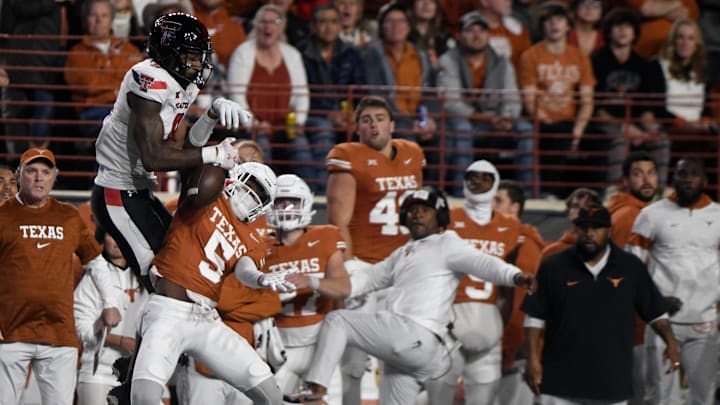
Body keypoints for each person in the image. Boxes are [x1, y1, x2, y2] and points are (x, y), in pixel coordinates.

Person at [286, 187, 536, 404]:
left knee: (338, 320)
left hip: (415, 332)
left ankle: (315, 390)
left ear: (440, 217)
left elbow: (485, 263)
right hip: (412, 350)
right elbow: (361, 283)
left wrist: (516, 276)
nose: (416, 213)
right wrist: (313, 281)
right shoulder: (403, 253)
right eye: (412, 209)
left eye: (424, 209)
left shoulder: (447, 243)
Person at [91, 12, 251, 289]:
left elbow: (185, 149)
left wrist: (211, 115)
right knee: (161, 281)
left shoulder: (180, 82)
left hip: (138, 190)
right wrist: (214, 156)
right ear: (167, 53)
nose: (198, 63)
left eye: (200, 55)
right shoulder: (148, 79)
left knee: (177, 264)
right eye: (190, 55)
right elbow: (153, 157)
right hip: (116, 192)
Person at [130, 161, 290, 405]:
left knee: (271, 396)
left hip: (207, 319)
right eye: (252, 185)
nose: (252, 195)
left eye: (260, 194)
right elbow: (193, 163)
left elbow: (244, 268)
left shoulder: (252, 236)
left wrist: (260, 278)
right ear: (235, 178)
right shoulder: (207, 195)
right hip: (169, 309)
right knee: (144, 398)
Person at [522, 205, 681, 404]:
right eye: (584, 227)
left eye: (596, 227)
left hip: (611, 381)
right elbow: (535, 315)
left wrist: (671, 342)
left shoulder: (630, 267)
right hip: (559, 380)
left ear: (609, 231)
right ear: (576, 229)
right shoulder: (553, 266)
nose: (589, 233)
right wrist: (531, 359)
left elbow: (655, 311)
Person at [0, 148, 121, 405]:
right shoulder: (3, 214)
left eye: (45, 172)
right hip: (9, 333)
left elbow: (96, 262)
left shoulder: (68, 215)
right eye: (32, 171)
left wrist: (111, 303)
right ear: (20, 174)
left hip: (59, 333)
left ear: (55, 177)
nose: (38, 178)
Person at [324, 95, 425, 405]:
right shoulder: (348, 156)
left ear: (392, 124)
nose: (374, 124)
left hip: (402, 268)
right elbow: (337, 220)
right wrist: (349, 266)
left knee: (400, 355)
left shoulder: (412, 153)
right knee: (355, 359)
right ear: (358, 129)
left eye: (380, 118)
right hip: (365, 267)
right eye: (366, 119)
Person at [424, 160, 523, 405]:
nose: (477, 182)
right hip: (448, 324)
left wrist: (502, 327)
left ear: (495, 183)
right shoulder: (448, 219)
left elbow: (509, 290)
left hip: (488, 326)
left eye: (484, 177)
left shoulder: (510, 226)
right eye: (471, 176)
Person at [626, 156, 720, 405]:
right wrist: (653, 300)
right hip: (662, 322)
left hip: (705, 321)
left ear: (705, 180)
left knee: (704, 397)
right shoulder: (650, 215)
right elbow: (631, 267)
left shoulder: (719, 216)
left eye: (694, 173)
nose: (688, 178)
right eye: (682, 173)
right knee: (661, 397)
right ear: (673, 178)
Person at [262, 174, 350, 399]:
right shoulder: (260, 245)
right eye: (280, 202)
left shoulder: (326, 236)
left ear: (306, 203)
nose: (286, 208)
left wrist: (311, 281)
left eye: (292, 202)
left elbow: (343, 287)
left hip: (318, 344)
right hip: (279, 345)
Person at [437, 11, 531, 196]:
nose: (476, 35)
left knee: (526, 129)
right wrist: (488, 118)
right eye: (470, 30)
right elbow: (451, 102)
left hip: (495, 122)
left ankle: (527, 193)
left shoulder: (502, 63)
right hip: (466, 122)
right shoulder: (448, 61)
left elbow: (512, 99)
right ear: (460, 35)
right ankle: (459, 193)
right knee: (461, 127)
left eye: (481, 31)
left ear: (488, 36)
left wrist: (507, 119)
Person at [518, 1, 596, 198]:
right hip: (542, 120)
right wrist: (546, 119)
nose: (554, 25)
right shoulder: (530, 55)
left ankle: (595, 193)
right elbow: (530, 100)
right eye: (549, 20)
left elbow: (587, 100)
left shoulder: (579, 57)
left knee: (601, 139)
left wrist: (577, 130)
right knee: (556, 136)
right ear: (542, 25)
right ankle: (550, 195)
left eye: (559, 20)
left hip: (571, 121)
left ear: (568, 25)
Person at [227, 4, 313, 180]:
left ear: (282, 27)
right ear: (255, 25)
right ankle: (263, 191)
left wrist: (298, 121)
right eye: (263, 22)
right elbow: (236, 96)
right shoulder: (242, 53)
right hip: (254, 126)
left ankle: (312, 192)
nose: (268, 27)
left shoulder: (292, 54)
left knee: (301, 146)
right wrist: (253, 123)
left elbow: (302, 93)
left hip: (284, 124)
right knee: (260, 146)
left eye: (274, 22)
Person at [361, 1, 440, 182]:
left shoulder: (420, 55)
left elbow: (430, 92)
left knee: (447, 135)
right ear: (381, 26)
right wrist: (408, 121)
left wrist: (428, 120)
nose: (396, 27)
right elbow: (376, 95)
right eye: (390, 21)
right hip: (390, 118)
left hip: (418, 117)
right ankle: (407, 188)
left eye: (401, 22)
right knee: (406, 137)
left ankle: (436, 189)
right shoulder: (372, 54)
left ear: (409, 26)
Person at [591, 7, 670, 185]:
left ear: (635, 32)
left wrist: (649, 129)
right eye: (617, 26)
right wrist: (625, 128)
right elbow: (596, 109)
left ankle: (658, 190)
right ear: (609, 32)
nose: (623, 31)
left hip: (635, 122)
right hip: (605, 121)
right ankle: (614, 191)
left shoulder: (643, 64)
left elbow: (648, 107)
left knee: (661, 140)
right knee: (619, 140)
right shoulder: (595, 61)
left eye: (627, 27)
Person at [605, 152, 658, 405]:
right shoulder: (631, 217)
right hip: (633, 326)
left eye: (651, 173)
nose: (646, 180)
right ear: (625, 181)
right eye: (638, 174)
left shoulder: (629, 212)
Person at [74, 230, 150, 405]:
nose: (117, 242)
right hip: (98, 374)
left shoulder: (146, 278)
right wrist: (119, 340)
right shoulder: (93, 278)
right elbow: (79, 328)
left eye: (121, 235)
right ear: (102, 240)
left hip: (136, 374)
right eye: (111, 235)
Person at [300, 3, 366, 194]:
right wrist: (328, 114)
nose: (328, 27)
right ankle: (322, 192)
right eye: (322, 22)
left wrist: (356, 113)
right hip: (314, 115)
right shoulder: (301, 53)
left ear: (340, 26)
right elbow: (302, 94)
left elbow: (360, 89)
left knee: (366, 129)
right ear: (313, 26)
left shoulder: (351, 53)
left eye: (333, 22)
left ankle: (360, 190)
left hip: (346, 115)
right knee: (323, 129)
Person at [493, 179, 546, 405]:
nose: (490, 205)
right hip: (499, 342)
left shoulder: (522, 245)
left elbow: (520, 302)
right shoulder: (499, 239)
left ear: (515, 208)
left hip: (516, 349)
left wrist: (510, 348)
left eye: (498, 200)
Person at [64, 0, 144, 149]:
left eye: (104, 15)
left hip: (126, 110)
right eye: (93, 15)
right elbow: (90, 86)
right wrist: (118, 86)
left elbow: (139, 81)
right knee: (119, 129)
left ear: (111, 20)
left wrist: (105, 76)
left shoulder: (127, 49)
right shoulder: (77, 53)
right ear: (85, 20)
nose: (99, 20)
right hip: (93, 111)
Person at [541, 187, 601, 258]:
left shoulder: (606, 252)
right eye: (576, 206)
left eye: (587, 206)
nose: (581, 211)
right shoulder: (552, 252)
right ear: (569, 213)